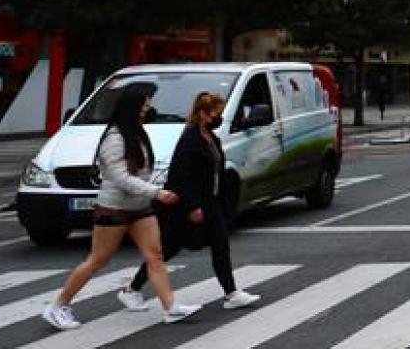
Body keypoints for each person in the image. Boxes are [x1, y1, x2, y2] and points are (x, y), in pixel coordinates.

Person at [40, 84, 196, 331]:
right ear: (132, 107)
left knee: (154, 255)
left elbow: (142, 172)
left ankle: (171, 308)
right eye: (145, 103)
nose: (148, 108)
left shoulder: (136, 132)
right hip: (114, 208)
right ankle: (58, 306)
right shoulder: (114, 137)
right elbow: (120, 178)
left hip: (139, 206)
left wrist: (153, 190)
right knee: (97, 260)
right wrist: (156, 192)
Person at [120, 92, 260, 312]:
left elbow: (217, 173)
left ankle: (231, 293)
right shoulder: (190, 139)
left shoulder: (211, 139)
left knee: (220, 243)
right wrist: (192, 206)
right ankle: (131, 289)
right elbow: (181, 176)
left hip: (210, 202)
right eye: (216, 113)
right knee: (167, 249)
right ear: (203, 114)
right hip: (186, 205)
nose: (219, 117)